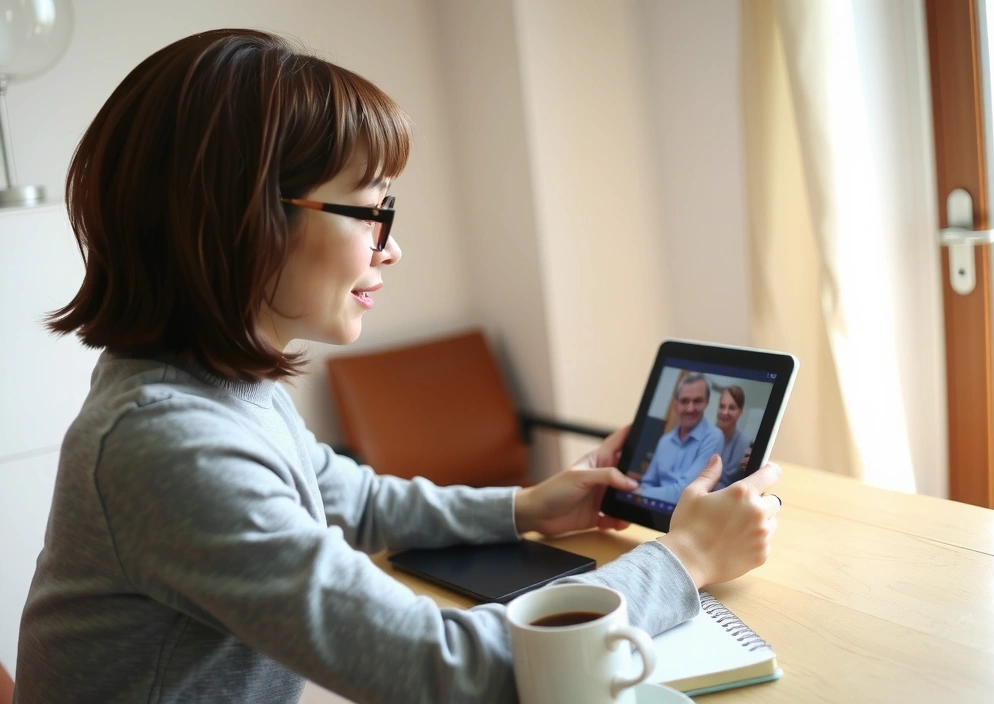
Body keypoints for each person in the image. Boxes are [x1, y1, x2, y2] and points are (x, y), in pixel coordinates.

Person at [13, 30, 782, 704]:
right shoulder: (166, 445)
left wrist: (527, 509)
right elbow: (444, 672)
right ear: (249, 216)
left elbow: (347, 493)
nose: (393, 246)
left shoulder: (211, 386)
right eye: (373, 210)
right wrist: (687, 559)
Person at [637, 373, 726, 503]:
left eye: (697, 401)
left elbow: (684, 493)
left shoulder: (714, 437)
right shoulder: (665, 440)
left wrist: (641, 493)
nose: (690, 408)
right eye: (685, 401)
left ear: (706, 403)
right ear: (676, 405)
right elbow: (648, 482)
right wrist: (643, 492)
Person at [714, 385, 754, 490]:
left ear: (740, 411)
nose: (724, 412)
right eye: (722, 406)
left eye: (731, 408)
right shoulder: (703, 436)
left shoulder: (745, 445)